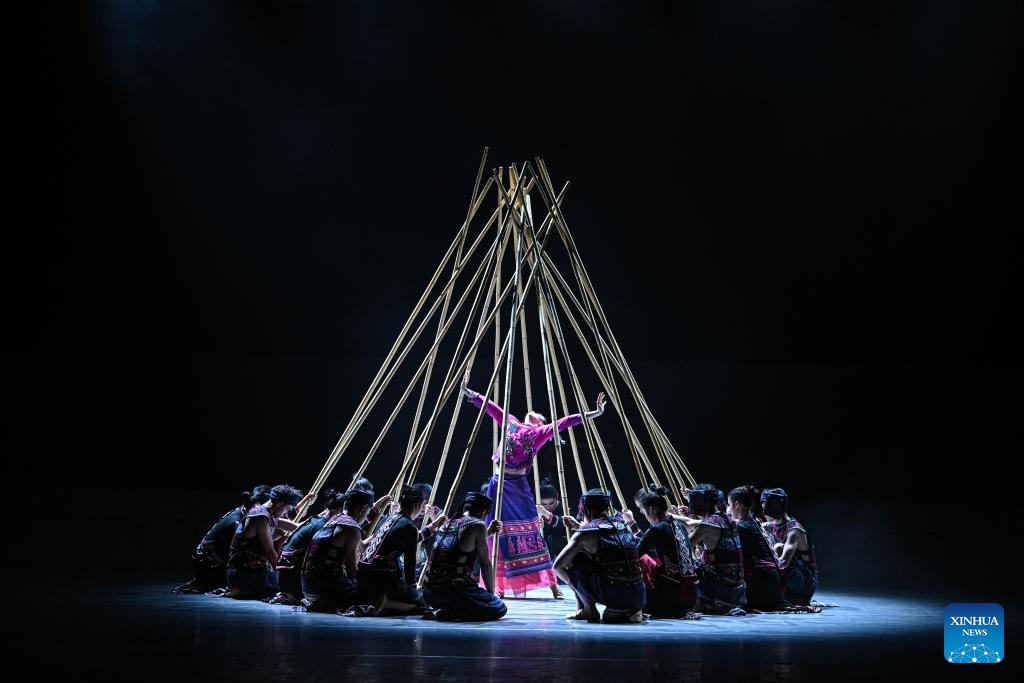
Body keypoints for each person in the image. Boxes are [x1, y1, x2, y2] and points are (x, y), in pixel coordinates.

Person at [461, 370, 606, 598]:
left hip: (518, 486)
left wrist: (594, 413)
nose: (533, 412)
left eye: (538, 415)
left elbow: (566, 421)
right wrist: (468, 392)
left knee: (530, 531)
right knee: (496, 531)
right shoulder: (511, 422)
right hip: (498, 484)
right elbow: (490, 406)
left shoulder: (540, 432)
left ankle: (552, 584)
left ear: (540, 422)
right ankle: (498, 585)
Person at [554, 489, 645, 623]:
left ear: (586, 510)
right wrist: (578, 527)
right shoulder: (622, 524)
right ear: (607, 508)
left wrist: (575, 586)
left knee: (576, 560)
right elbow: (602, 533)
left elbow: (558, 566)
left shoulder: (585, 533)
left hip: (613, 593)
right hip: (638, 594)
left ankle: (589, 610)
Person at [357, 484, 447, 615]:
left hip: (363, 575)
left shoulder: (387, 519)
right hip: (382, 577)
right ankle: (387, 604)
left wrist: (434, 525)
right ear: (417, 505)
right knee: (422, 602)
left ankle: (381, 605)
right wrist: (413, 589)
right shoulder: (408, 526)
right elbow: (410, 563)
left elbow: (415, 537)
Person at [422, 491, 507, 621]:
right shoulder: (477, 524)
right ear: (483, 512)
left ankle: (444, 609)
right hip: (453, 592)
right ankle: (445, 614)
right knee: (498, 607)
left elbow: (462, 545)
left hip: (429, 593)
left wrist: (488, 532)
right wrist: (491, 595)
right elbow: (486, 565)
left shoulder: (447, 523)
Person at [173, 485, 271, 593]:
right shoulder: (238, 522)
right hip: (207, 566)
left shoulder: (244, 510)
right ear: (261, 506)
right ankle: (206, 582)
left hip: (206, 560)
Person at [225, 485, 311, 599]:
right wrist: (283, 576)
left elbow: (297, 528)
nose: (286, 513)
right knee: (292, 589)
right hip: (244, 575)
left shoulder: (269, 514)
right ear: (279, 504)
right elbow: (270, 553)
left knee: (287, 538)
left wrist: (321, 520)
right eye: (287, 508)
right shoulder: (260, 516)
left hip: (253, 571)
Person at [623, 486, 698, 618]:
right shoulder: (679, 525)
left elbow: (636, 554)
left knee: (641, 562)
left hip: (671, 597)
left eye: (643, 511)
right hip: (691, 596)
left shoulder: (657, 529)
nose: (644, 515)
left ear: (651, 509)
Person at [300, 489, 379, 612]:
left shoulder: (333, 521)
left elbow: (362, 547)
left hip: (306, 587)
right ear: (362, 509)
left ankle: (319, 602)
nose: (366, 516)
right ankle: (325, 603)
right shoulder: (352, 529)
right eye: (368, 511)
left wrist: (380, 533)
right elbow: (352, 570)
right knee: (373, 592)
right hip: (323, 587)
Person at [687, 484, 747, 613]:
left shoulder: (707, 525)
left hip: (721, 592)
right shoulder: (729, 520)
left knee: (687, 564)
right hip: (738, 593)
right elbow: (689, 523)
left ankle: (695, 605)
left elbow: (683, 546)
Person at [728, 485, 784, 611]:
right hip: (773, 584)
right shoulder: (755, 521)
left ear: (736, 504)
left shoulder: (743, 527)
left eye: (729, 504)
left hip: (762, 586)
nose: (729, 509)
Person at [761, 488, 819, 605]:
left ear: (774, 507)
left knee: (778, 547)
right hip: (793, 578)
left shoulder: (794, 530)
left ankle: (790, 597)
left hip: (804, 582)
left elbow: (783, 563)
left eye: (765, 508)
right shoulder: (771, 526)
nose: (763, 513)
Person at [536, 479, 567, 598]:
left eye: (551, 503)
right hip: (546, 550)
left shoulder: (565, 506)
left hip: (563, 547)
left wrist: (546, 514)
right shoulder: (536, 510)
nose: (548, 507)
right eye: (544, 504)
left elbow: (566, 524)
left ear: (557, 497)